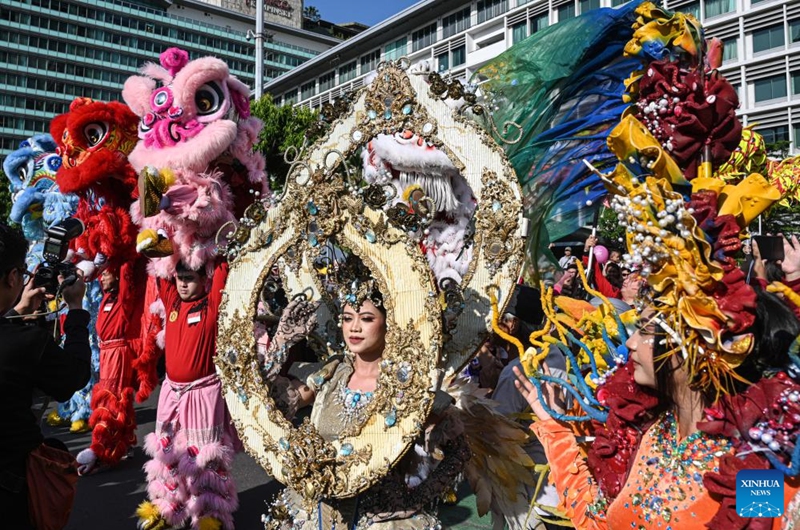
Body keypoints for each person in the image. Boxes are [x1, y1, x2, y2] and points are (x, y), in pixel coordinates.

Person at [264, 284, 471, 529]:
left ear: (388, 324)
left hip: (379, 519)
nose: (354, 327)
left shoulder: (406, 386)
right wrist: (281, 342)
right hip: (314, 513)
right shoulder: (331, 374)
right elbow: (269, 406)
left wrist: (416, 499)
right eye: (348, 318)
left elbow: (459, 452)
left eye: (367, 318)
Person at [136, 260, 240, 530]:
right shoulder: (171, 303)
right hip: (171, 390)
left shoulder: (212, 304)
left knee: (203, 457)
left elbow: (221, 266)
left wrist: (210, 237)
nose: (182, 283)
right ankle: (167, 508)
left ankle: (210, 516)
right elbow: (160, 266)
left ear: (203, 281)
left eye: (189, 278)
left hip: (203, 392)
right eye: (180, 277)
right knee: (166, 450)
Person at [0, 222, 91, 529]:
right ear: (13, 278)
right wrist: (76, 310)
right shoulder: (24, 343)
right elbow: (73, 377)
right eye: (22, 274)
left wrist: (15, 315)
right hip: (11, 494)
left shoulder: (17, 335)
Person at [76, 263, 142, 474]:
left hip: (118, 352)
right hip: (105, 353)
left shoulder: (124, 297)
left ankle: (103, 448)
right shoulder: (107, 296)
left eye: (106, 274)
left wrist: (120, 258)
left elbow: (125, 268)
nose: (101, 279)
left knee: (111, 401)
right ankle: (124, 442)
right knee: (117, 398)